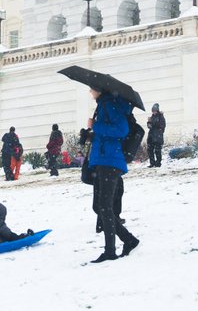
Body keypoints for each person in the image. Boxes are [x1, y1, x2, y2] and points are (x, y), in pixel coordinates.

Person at [86, 88, 140, 263]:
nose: (89, 91)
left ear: (99, 90)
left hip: (110, 161)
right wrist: (90, 135)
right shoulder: (103, 105)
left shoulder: (111, 105)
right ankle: (129, 240)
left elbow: (121, 130)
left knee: (104, 206)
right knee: (100, 207)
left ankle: (111, 251)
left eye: (92, 89)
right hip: (103, 160)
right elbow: (106, 135)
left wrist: (96, 126)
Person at [146, 103, 166, 167]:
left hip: (158, 136)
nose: (154, 112)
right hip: (151, 136)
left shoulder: (161, 117)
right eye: (153, 110)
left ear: (157, 110)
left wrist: (158, 131)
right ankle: (152, 163)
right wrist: (149, 122)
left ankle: (158, 163)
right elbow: (150, 127)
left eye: (155, 110)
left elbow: (162, 126)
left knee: (157, 150)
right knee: (150, 150)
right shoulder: (152, 117)